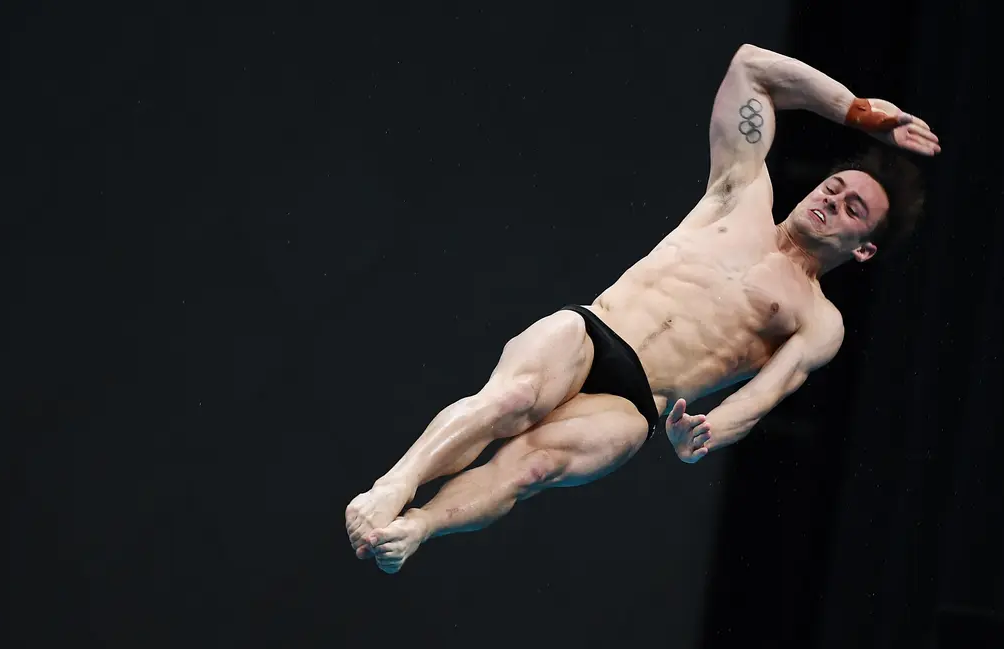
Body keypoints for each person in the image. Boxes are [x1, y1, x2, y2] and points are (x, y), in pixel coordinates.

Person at [345, 43, 940, 574]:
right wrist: (861, 112)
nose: (832, 201)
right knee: (513, 399)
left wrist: (703, 436)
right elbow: (752, 67)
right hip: (593, 331)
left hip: (637, 403)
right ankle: (394, 485)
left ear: (863, 249)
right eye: (835, 187)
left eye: (852, 210)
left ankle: (420, 527)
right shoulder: (743, 191)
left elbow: (763, 397)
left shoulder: (819, 319)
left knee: (530, 470)